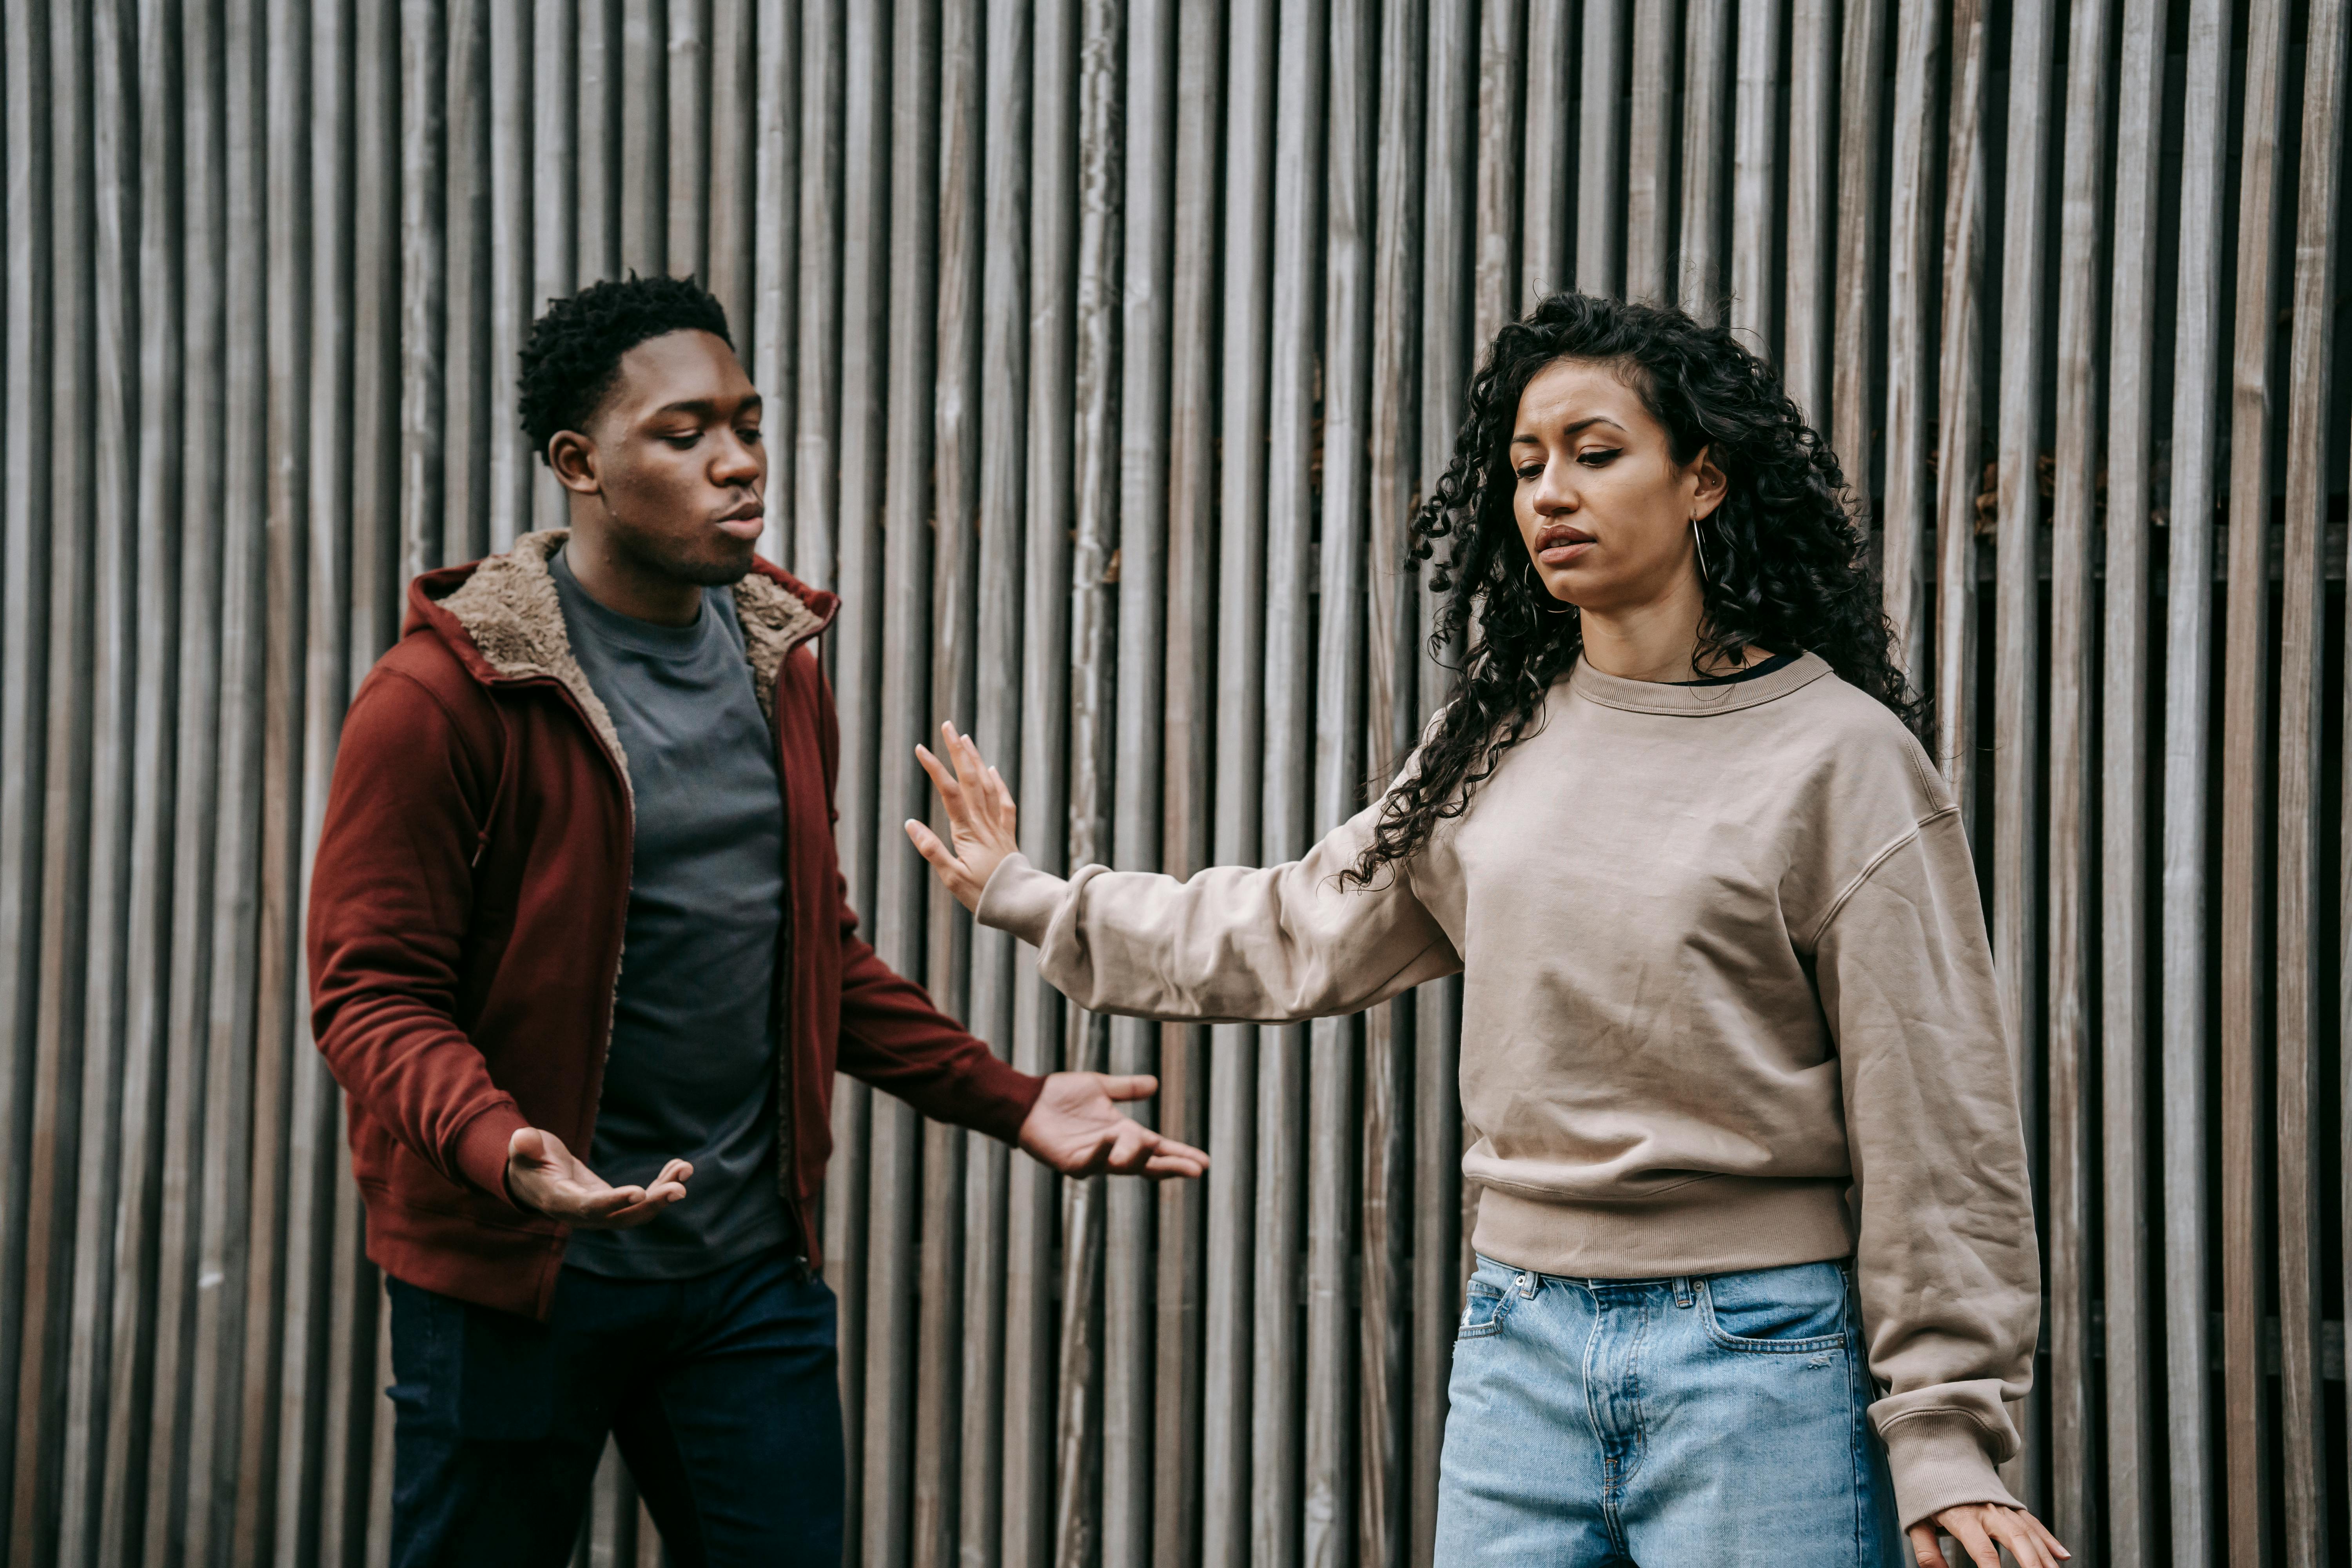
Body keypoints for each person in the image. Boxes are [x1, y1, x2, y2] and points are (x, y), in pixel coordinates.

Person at [907, 292, 2064, 1568]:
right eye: (1525, 465)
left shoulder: (1843, 757)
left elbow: (1937, 1109)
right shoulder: (1496, 744)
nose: (1551, 492)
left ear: (1704, 478)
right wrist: (1035, 896)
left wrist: (1945, 1429)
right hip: (1519, 1353)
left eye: (1596, 453)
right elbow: (1296, 927)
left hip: (1763, 1359)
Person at [307, 273, 1206, 1567]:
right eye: (685, 435)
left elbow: (810, 953)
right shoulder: (444, 698)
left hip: (743, 1279)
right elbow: (371, 994)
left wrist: (1008, 1099)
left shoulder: (775, 665)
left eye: (748, 424)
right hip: (513, 1279)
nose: (739, 463)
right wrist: (505, 1150)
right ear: (579, 464)